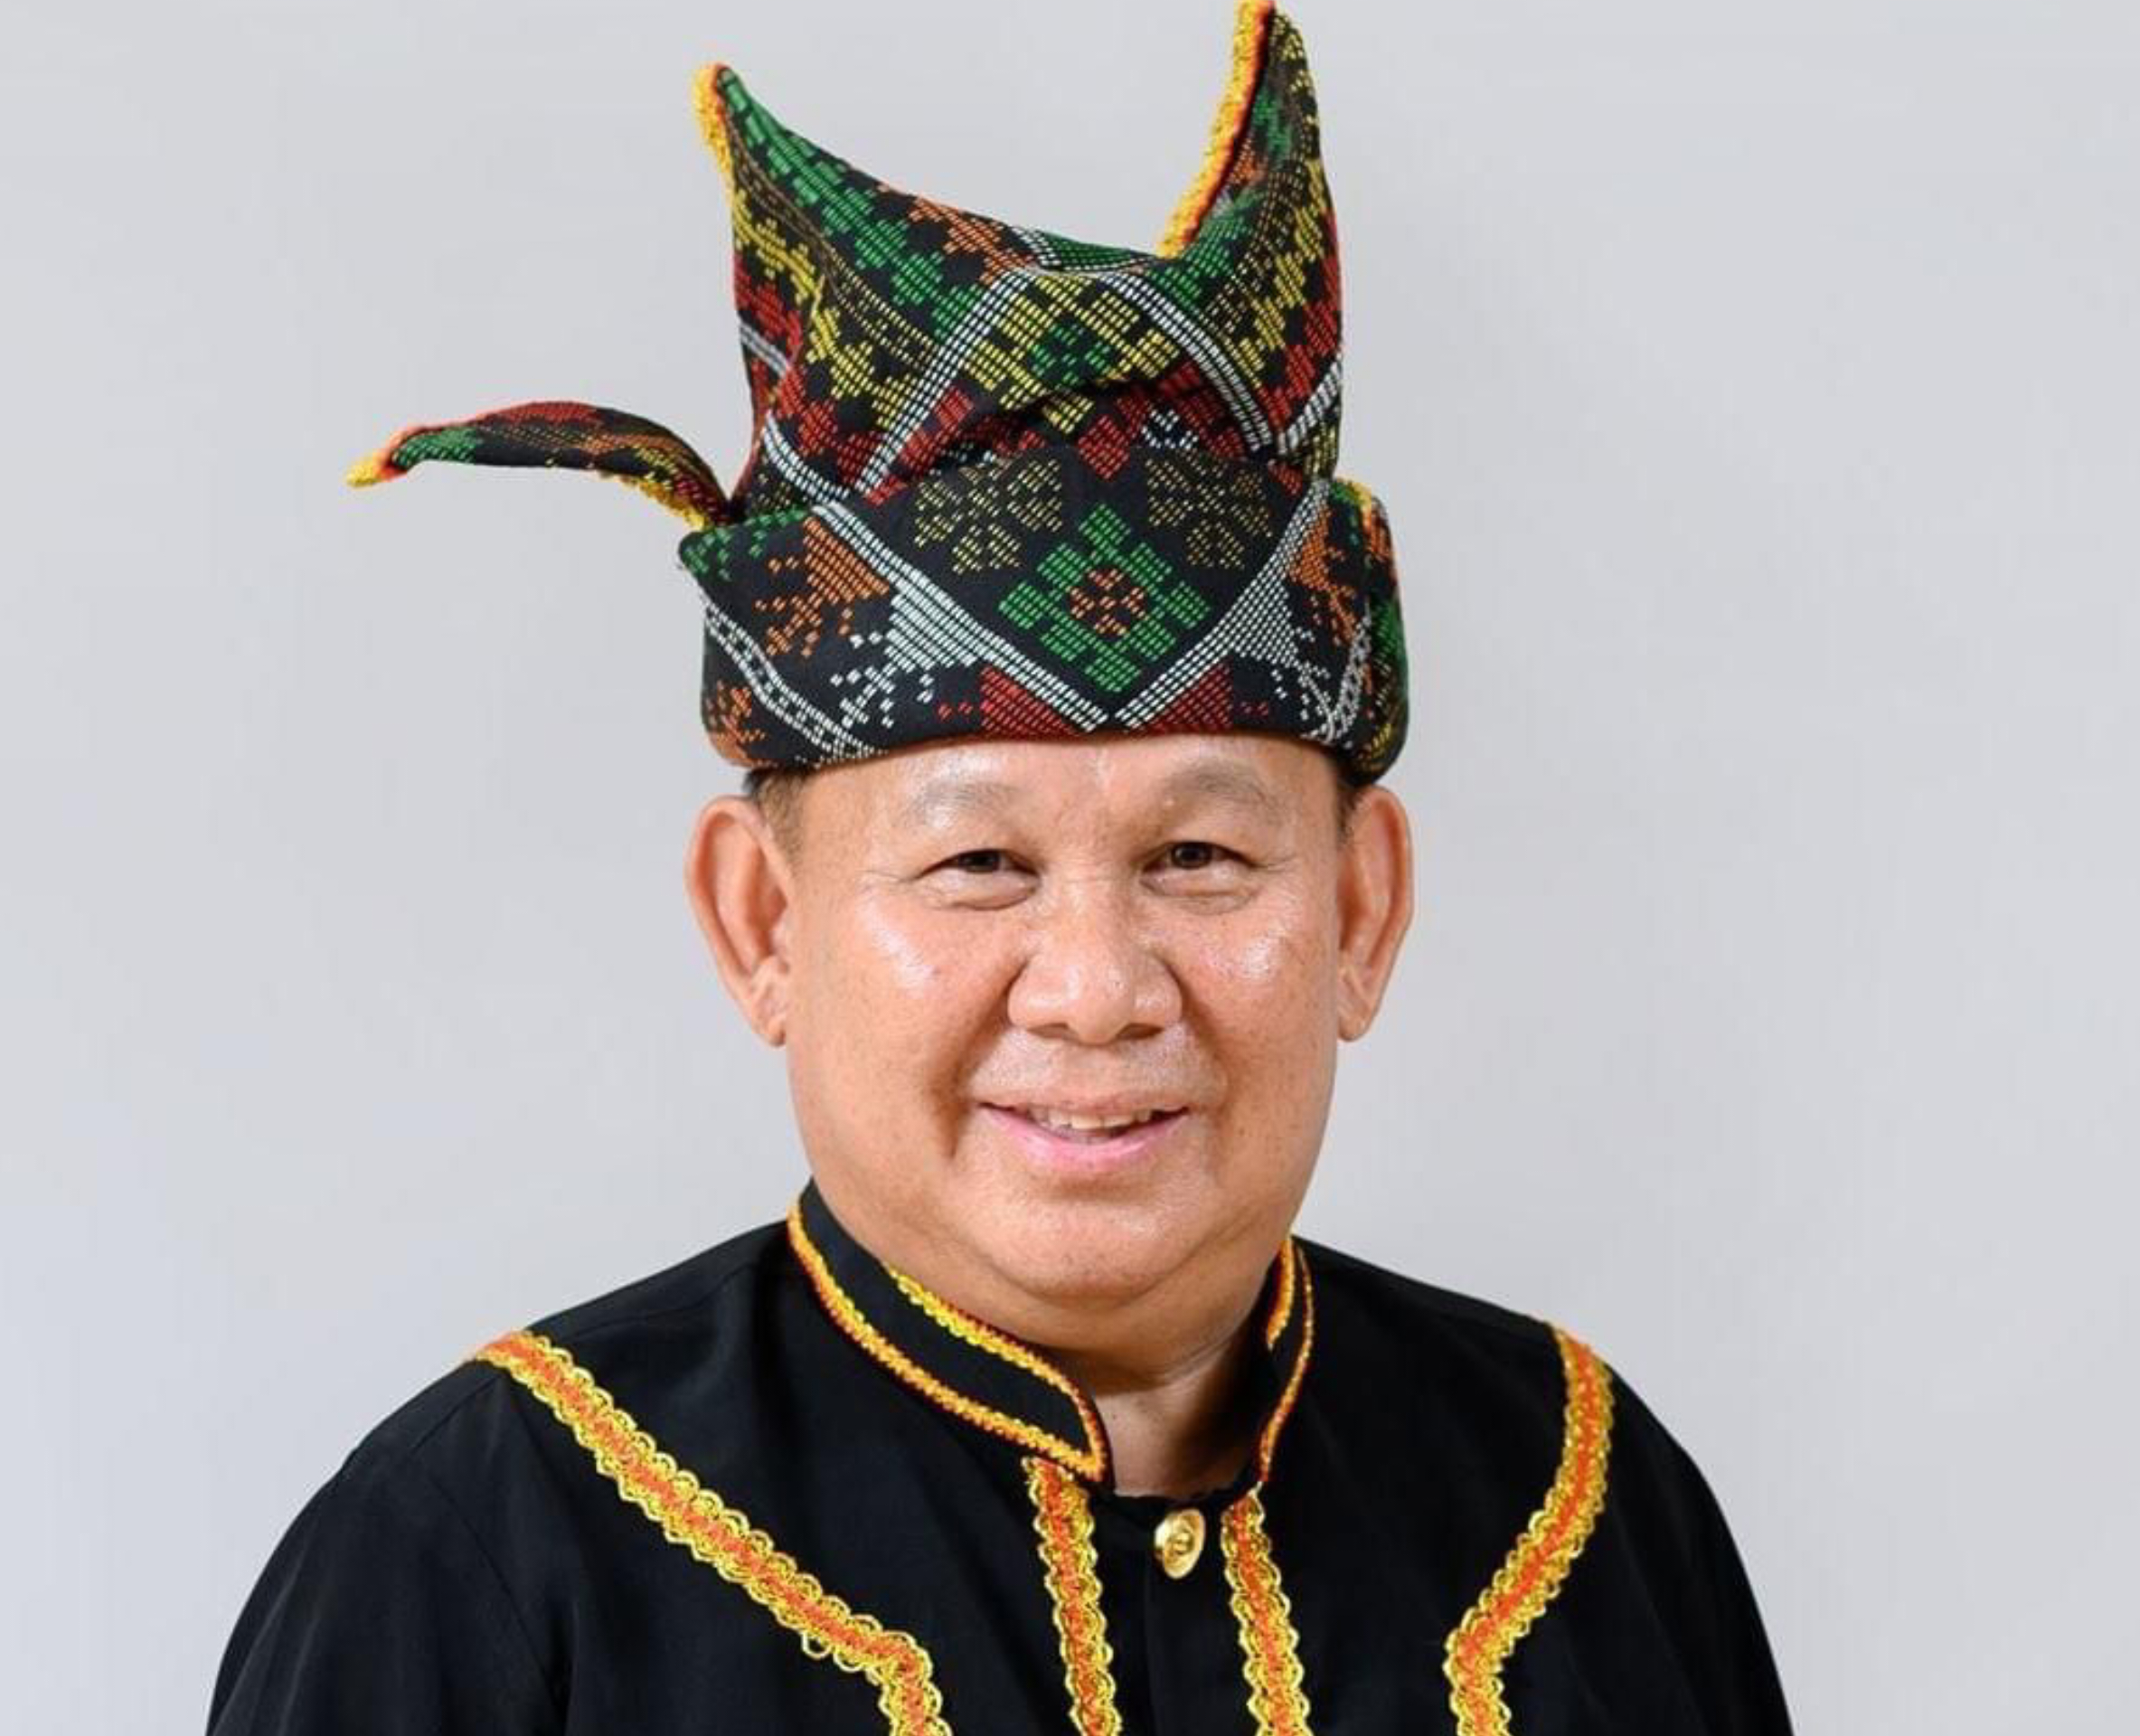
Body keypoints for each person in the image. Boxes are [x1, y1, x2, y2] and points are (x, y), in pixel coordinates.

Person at [209, 3, 1793, 1730]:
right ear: (762, 921)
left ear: (1360, 911)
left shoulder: (1580, 1510)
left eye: (1199, 856)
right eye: (977, 863)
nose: (1097, 994)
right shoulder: (492, 1556)